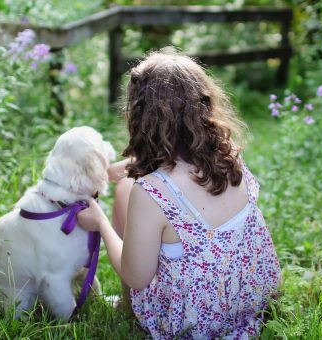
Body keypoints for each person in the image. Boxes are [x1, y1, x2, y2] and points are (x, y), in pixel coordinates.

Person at [77, 49, 281, 339]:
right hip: (248, 299)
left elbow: (137, 277)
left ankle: (127, 306)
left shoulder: (150, 192)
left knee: (125, 190)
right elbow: (174, 168)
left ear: (140, 115)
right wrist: (113, 170)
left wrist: (101, 223)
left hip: (194, 322)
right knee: (126, 184)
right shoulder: (228, 154)